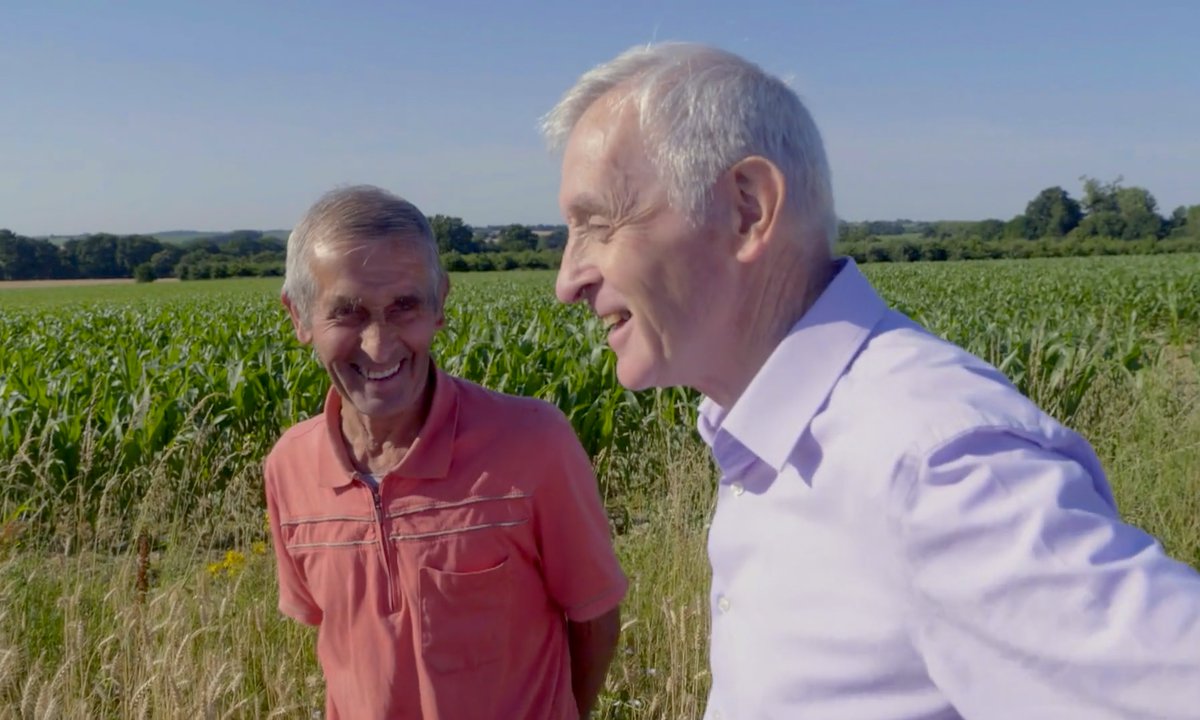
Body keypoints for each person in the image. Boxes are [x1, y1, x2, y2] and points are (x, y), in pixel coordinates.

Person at [541, 42, 1200, 719]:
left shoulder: (929, 465)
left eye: (598, 223)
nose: (568, 280)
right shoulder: (774, 437)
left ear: (747, 208)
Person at [263, 185, 627, 719]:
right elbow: (339, 635)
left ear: (440, 306)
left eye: (404, 307)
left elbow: (594, 618)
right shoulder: (289, 466)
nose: (378, 345)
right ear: (299, 317)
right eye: (347, 312)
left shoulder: (534, 442)